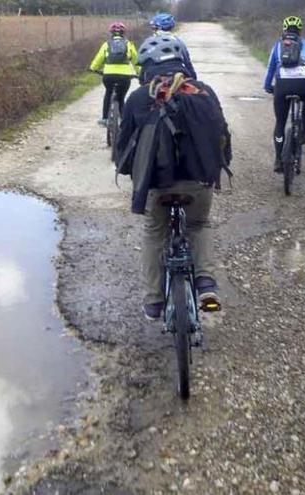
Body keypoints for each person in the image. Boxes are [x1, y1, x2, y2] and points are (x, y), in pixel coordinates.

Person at [114, 35, 232, 321]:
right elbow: (222, 137)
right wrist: (220, 166)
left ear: (147, 66)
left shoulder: (139, 97)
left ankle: (154, 301)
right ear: (183, 61)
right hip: (198, 182)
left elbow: (124, 149)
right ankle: (205, 283)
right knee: (199, 224)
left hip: (157, 185)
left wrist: (133, 174)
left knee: (155, 232)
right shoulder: (204, 91)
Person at [263, 15, 305, 172]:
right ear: (300, 30)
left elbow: (271, 69)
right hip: (302, 86)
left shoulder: (277, 46)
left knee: (280, 123)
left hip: (282, 87)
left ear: (284, 30)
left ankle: (279, 159)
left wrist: (268, 86)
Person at [89, 22, 138, 126]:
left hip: (108, 75)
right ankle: (124, 123)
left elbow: (98, 59)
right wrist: (139, 73)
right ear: (123, 33)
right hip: (124, 77)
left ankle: (105, 119)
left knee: (108, 93)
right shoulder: (129, 44)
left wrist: (93, 68)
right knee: (121, 98)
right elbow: (136, 61)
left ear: (111, 33)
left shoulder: (106, 44)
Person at [139, 12, 196, 83]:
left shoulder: (148, 42)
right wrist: (194, 79)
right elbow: (187, 63)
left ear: (158, 27)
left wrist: (141, 80)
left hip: (153, 77)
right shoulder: (179, 42)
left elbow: (143, 64)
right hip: (177, 74)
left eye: (153, 27)